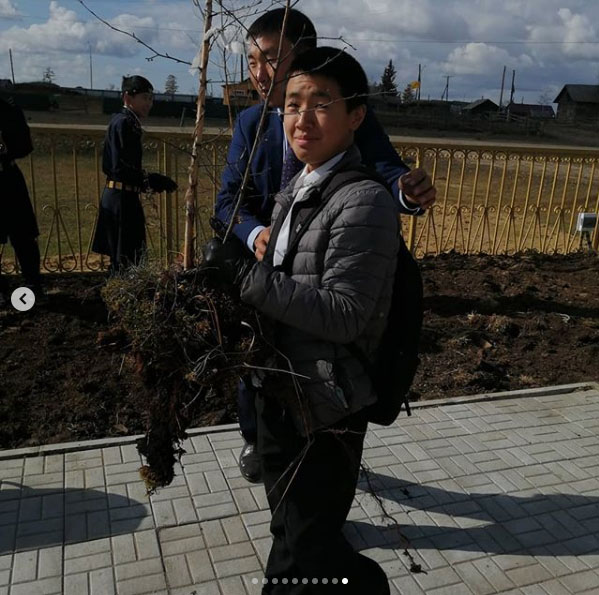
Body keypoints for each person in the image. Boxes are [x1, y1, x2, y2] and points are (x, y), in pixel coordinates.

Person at [215, 7, 436, 483]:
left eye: (271, 58)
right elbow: (229, 199)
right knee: (257, 352)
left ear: (304, 58)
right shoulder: (252, 123)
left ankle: (325, 445)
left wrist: (406, 192)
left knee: (322, 357)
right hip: (264, 268)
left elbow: (384, 169)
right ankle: (256, 436)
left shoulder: (345, 115)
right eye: (251, 61)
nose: (258, 73)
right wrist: (255, 233)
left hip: (324, 268)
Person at [207, 45, 397, 594]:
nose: (302, 118)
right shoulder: (297, 189)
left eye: (320, 103)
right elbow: (284, 286)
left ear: (355, 116)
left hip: (325, 408)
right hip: (279, 393)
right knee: (295, 533)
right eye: (292, 104)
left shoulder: (364, 202)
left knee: (297, 555)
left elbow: (345, 313)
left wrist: (244, 278)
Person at [91, 75, 177, 272]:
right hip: (121, 199)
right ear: (128, 98)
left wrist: (146, 180)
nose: (149, 103)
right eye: (144, 98)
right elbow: (119, 167)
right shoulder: (124, 123)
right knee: (126, 262)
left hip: (124, 196)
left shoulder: (127, 122)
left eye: (151, 99)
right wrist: (149, 180)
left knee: (126, 260)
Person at [0, 96, 42, 307]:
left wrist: (7, 145)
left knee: (24, 236)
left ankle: (33, 286)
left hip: (8, 178)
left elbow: (25, 146)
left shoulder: (9, 109)